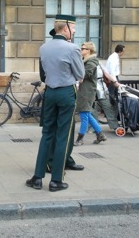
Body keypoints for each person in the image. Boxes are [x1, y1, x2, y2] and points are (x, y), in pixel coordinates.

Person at [26, 15, 84, 192]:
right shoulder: (72, 48)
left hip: (49, 92)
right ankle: (56, 180)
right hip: (66, 92)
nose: (73, 32)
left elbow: (43, 74)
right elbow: (80, 73)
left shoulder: (44, 47)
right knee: (63, 136)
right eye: (72, 29)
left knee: (47, 134)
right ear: (65, 28)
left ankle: (37, 177)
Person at [44, 28, 84, 173]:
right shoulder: (55, 50)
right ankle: (51, 162)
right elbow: (44, 74)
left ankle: (66, 158)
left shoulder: (66, 49)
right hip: (60, 90)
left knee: (68, 129)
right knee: (55, 131)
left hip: (67, 90)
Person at [74, 42, 107, 146]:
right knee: (87, 114)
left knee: (84, 114)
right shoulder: (87, 61)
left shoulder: (91, 62)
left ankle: (80, 139)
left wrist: (79, 78)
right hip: (85, 90)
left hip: (87, 91)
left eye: (83, 48)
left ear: (89, 50)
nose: (81, 50)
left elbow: (86, 74)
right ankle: (100, 134)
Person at [92, 63, 120, 131]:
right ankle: (93, 127)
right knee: (92, 109)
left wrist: (115, 81)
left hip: (101, 88)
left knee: (108, 106)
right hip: (90, 89)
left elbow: (107, 74)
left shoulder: (99, 63)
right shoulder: (84, 63)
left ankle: (114, 125)